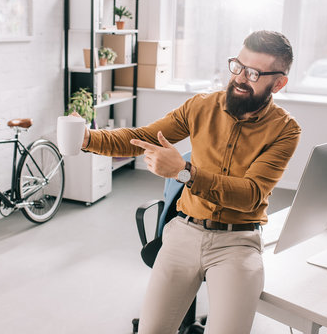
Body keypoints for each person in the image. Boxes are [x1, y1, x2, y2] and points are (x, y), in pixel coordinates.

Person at [77, 30, 301, 334]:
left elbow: (251, 194)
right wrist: (86, 138)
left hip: (238, 242)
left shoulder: (285, 130)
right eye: (237, 65)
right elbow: (142, 138)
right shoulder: (201, 106)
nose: (239, 78)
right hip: (185, 232)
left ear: (279, 82)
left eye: (253, 73)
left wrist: (185, 172)